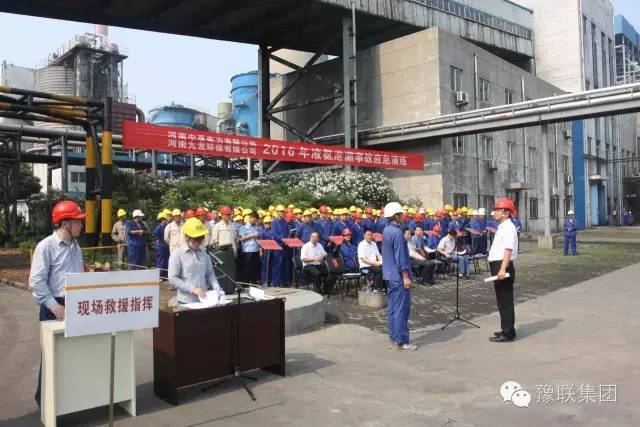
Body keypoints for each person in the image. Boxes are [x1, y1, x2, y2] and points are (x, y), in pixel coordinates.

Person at [29, 200, 86, 406]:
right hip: (54, 308)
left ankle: (67, 401)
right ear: (65, 223)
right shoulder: (46, 247)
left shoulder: (75, 246)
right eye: (78, 221)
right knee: (52, 357)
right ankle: (45, 402)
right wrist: (53, 305)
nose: (81, 225)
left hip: (75, 305)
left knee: (72, 355)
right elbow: (36, 281)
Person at [382, 202, 417, 352]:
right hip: (398, 277)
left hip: (388, 275)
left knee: (392, 308)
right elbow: (401, 258)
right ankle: (401, 341)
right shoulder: (397, 233)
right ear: (396, 216)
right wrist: (406, 277)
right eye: (401, 214)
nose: (403, 216)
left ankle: (392, 338)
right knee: (401, 310)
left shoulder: (386, 230)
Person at [168, 217, 222, 304]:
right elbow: (173, 278)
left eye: (201, 239)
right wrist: (193, 289)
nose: (198, 242)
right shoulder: (177, 254)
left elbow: (210, 273)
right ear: (187, 237)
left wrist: (216, 287)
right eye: (195, 239)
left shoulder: (204, 253)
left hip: (205, 299)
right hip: (186, 301)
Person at [488, 198, 519, 342]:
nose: (494, 212)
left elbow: (508, 249)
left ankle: (507, 333)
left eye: (497, 210)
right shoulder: (503, 226)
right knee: (502, 300)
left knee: (505, 300)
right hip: (499, 265)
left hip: (502, 265)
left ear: (506, 212)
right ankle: (507, 329)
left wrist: (502, 269)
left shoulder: (508, 227)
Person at [209, 205, 238, 293]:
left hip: (231, 252)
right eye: (226, 214)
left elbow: (234, 239)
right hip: (221, 253)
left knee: (231, 271)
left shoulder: (232, 226)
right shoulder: (217, 226)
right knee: (221, 272)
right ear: (221, 215)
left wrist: (235, 250)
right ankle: (221, 289)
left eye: (229, 214)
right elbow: (214, 241)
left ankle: (230, 289)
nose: (228, 216)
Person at [238, 212, 261, 284]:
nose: (255, 221)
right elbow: (241, 239)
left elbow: (258, 239)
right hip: (247, 251)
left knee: (254, 269)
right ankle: (245, 284)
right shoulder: (243, 227)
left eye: (256, 220)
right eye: (254, 220)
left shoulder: (256, 227)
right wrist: (252, 235)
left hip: (256, 250)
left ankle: (254, 284)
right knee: (247, 269)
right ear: (250, 218)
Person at [259, 216, 276, 286]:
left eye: (269, 223)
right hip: (265, 251)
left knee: (271, 266)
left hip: (272, 251)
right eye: (266, 223)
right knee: (265, 267)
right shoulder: (262, 232)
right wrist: (261, 251)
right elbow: (260, 242)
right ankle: (263, 281)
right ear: (264, 224)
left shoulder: (272, 232)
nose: (268, 224)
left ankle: (269, 281)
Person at [153, 211, 170, 279]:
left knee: (165, 261)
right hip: (161, 246)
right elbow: (155, 235)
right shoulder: (159, 227)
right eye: (165, 219)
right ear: (162, 220)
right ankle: (159, 276)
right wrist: (158, 241)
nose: (166, 220)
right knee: (161, 261)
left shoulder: (165, 226)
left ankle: (164, 275)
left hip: (165, 246)